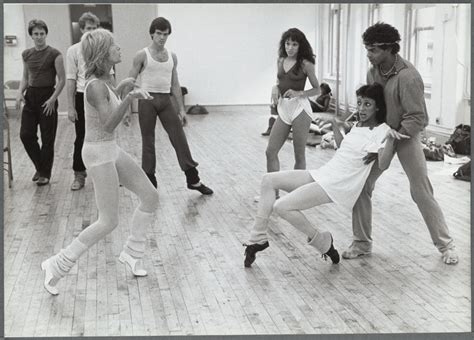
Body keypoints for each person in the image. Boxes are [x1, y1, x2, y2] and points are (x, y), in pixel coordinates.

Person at [41, 29, 159, 295]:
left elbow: (109, 99)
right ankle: (56, 265)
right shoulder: (94, 85)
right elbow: (107, 124)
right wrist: (129, 98)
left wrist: (125, 87)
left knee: (150, 197)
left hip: (109, 149)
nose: (119, 47)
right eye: (113, 45)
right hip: (98, 152)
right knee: (108, 221)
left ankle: (132, 253)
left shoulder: (104, 80)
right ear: (103, 53)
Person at [244, 83, 402, 268]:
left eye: (367, 104)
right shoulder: (359, 125)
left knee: (281, 206)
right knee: (268, 180)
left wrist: (390, 139)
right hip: (324, 173)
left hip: (337, 185)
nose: (361, 109)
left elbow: (383, 163)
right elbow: (343, 148)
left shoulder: (382, 131)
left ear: (378, 106)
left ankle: (322, 241)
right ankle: (258, 238)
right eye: (359, 103)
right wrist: (335, 125)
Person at [343, 22, 459, 265]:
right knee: (361, 186)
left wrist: (394, 136)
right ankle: (362, 243)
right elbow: (373, 104)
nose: (369, 55)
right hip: (381, 134)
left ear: (389, 49)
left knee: (420, 191)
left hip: (405, 136)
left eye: (373, 50)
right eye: (367, 49)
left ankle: (446, 245)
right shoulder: (372, 71)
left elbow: (418, 117)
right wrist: (363, 122)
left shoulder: (408, 76)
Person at [127, 17, 213, 195]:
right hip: (147, 101)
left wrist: (181, 109)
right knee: (148, 141)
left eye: (165, 34)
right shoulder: (141, 55)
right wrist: (126, 109)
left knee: (179, 138)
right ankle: (150, 182)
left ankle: (193, 179)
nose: (162, 38)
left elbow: (175, 84)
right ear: (152, 33)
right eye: (159, 33)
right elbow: (130, 81)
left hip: (166, 101)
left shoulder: (172, 57)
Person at [16, 19, 65, 186]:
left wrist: (53, 99)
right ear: (31, 35)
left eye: (42, 34)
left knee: (47, 138)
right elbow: (25, 77)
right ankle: (40, 166)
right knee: (26, 135)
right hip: (31, 96)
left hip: (47, 97)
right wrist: (20, 91)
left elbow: (62, 80)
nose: (39, 37)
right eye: (36, 34)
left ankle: (45, 174)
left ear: (46, 34)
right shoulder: (26, 54)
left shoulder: (55, 54)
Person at [266, 28, 321, 175]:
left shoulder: (306, 64)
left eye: (294, 44)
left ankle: (296, 194)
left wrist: (299, 93)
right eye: (287, 43)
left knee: (299, 155)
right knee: (270, 152)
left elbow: (317, 90)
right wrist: (275, 87)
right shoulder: (281, 60)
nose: (290, 48)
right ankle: (274, 194)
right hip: (284, 108)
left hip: (300, 109)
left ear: (300, 46)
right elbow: (280, 80)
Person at [66, 12, 101, 190]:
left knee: (104, 135)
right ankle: (79, 174)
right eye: (88, 28)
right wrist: (71, 107)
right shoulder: (73, 51)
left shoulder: (102, 47)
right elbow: (71, 80)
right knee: (81, 137)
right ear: (81, 29)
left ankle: (105, 173)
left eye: (95, 28)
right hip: (82, 96)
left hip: (100, 95)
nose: (92, 32)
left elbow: (110, 76)